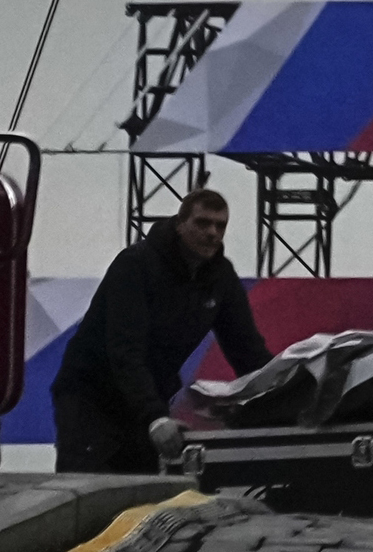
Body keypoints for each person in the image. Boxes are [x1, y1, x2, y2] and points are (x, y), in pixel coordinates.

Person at [52, 182, 275, 473]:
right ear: (180, 224)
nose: (212, 233)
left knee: (141, 493)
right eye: (203, 223)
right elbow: (125, 350)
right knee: (89, 490)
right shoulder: (135, 265)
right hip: (91, 398)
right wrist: (155, 417)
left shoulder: (221, 278)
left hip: (147, 402)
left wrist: (284, 394)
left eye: (220, 226)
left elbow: (248, 352)